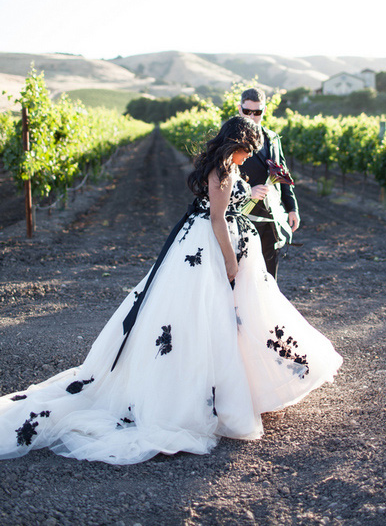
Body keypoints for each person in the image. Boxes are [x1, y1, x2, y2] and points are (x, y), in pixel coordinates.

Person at [0, 116, 342, 465]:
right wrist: (230, 262)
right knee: (203, 318)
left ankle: (237, 391)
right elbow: (217, 219)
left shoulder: (226, 168)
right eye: (246, 150)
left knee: (232, 318)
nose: (248, 157)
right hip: (206, 252)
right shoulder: (222, 172)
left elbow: (227, 211)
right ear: (235, 145)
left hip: (209, 245)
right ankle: (200, 399)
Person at [238, 87, 299, 278]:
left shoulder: (272, 138)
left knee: (269, 272)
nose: (251, 116)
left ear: (264, 111)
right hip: (243, 215)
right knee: (243, 271)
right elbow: (222, 176)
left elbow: (282, 172)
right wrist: (248, 191)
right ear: (240, 109)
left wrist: (292, 208)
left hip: (272, 215)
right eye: (247, 111)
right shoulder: (230, 138)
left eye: (256, 112)